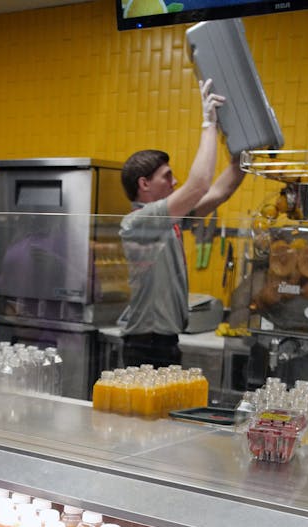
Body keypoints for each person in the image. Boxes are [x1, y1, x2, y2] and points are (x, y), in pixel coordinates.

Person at [117, 79, 246, 367]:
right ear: (144, 183)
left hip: (166, 342)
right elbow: (199, 185)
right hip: (144, 347)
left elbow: (218, 192)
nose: (174, 182)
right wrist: (207, 123)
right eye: (167, 176)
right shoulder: (138, 222)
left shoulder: (170, 219)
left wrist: (245, 156)